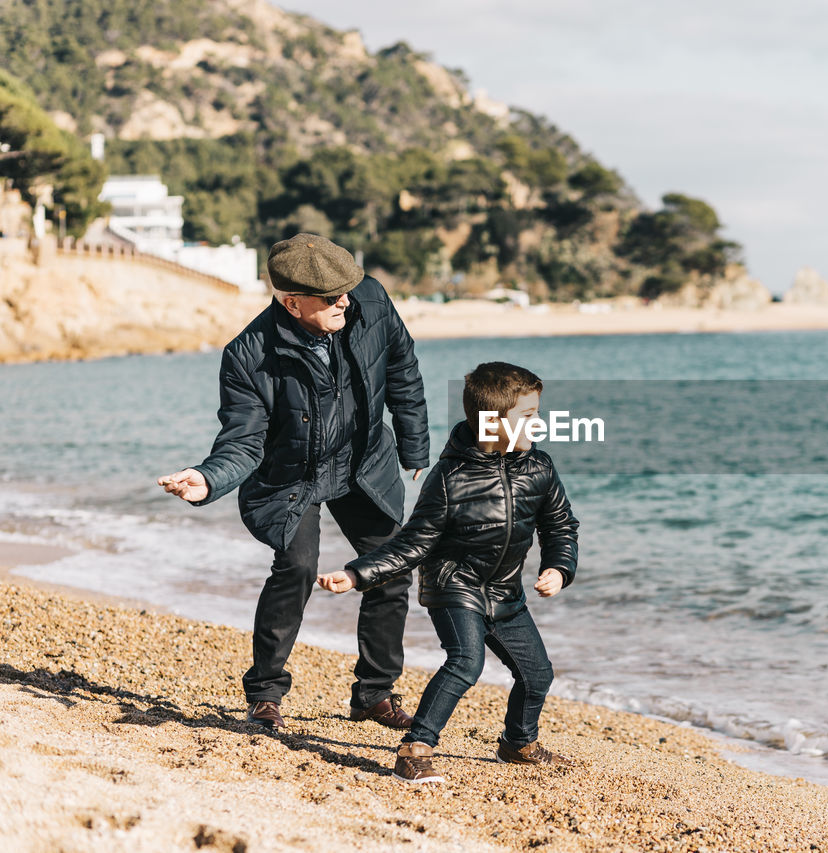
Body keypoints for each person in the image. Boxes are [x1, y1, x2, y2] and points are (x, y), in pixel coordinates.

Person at [156, 233, 430, 733]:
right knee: (297, 568)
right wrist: (207, 479)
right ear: (291, 301)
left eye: (346, 288)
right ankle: (264, 692)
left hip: (361, 461)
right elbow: (243, 441)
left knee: (389, 567)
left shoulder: (369, 299)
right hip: (290, 478)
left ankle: (374, 692)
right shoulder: (248, 354)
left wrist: (414, 444)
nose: (345, 300)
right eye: (330, 297)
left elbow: (402, 368)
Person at [317, 361, 579, 784]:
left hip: (505, 592)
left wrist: (559, 566)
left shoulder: (540, 467)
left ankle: (518, 742)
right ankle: (415, 748)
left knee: (537, 674)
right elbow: (414, 543)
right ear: (492, 422)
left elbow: (561, 525)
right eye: (528, 417)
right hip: (454, 586)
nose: (538, 425)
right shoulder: (449, 478)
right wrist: (358, 574)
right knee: (465, 662)